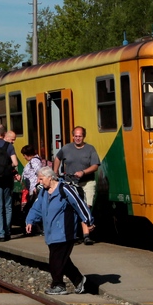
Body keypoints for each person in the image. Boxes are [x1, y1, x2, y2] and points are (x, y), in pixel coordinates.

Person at [24, 167, 94, 295]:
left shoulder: (65, 189)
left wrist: (88, 220)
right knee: (63, 260)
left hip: (65, 232)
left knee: (55, 260)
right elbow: (36, 208)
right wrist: (30, 220)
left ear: (50, 177)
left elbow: (79, 205)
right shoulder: (43, 192)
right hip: (51, 233)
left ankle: (58, 285)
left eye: (41, 179)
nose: (39, 182)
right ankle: (80, 281)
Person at [54, 126, 101, 244]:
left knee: (85, 207)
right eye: (75, 136)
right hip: (71, 183)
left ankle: (86, 235)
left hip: (87, 182)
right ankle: (73, 235)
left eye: (80, 136)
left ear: (83, 136)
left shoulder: (90, 149)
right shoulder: (66, 148)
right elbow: (57, 158)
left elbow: (95, 166)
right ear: (73, 136)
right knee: (73, 208)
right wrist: (55, 172)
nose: (77, 138)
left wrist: (83, 172)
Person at [19, 145, 46, 216]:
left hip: (34, 189)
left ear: (28, 154)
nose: (24, 157)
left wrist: (37, 186)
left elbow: (39, 173)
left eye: (24, 155)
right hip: (31, 189)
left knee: (33, 208)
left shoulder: (34, 161)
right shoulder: (33, 161)